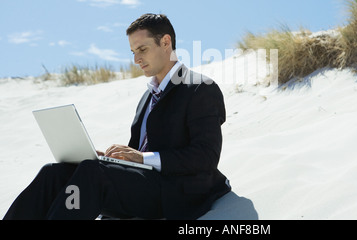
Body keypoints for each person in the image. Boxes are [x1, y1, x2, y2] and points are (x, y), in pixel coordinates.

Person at [3, 13, 231, 220]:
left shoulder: (200, 88)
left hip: (177, 192)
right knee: (54, 172)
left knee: (93, 173)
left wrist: (142, 159)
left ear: (165, 42)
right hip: (145, 186)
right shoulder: (147, 97)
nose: (136, 59)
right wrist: (116, 160)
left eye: (142, 49)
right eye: (133, 52)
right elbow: (138, 153)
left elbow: (206, 156)